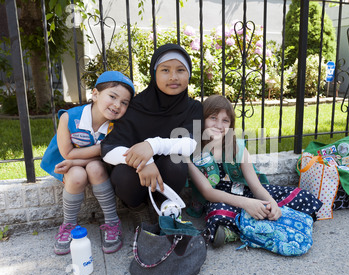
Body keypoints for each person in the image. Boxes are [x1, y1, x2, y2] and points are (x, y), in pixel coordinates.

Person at [187, 95, 323, 247]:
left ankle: (248, 225)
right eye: (213, 117)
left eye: (225, 120)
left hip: (246, 192)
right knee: (217, 213)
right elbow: (208, 193)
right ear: (202, 119)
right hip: (221, 199)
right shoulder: (193, 152)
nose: (219, 125)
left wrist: (271, 204)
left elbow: (256, 187)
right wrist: (246, 204)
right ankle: (242, 228)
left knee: (302, 196)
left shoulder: (237, 147)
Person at [101, 44, 203, 223]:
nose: (173, 77)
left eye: (180, 70)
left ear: (189, 74)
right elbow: (108, 149)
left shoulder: (193, 108)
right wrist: (145, 161)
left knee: (175, 161)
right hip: (135, 176)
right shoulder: (134, 106)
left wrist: (152, 145)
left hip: (168, 178)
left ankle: (165, 207)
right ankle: (138, 209)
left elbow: (190, 144)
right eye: (165, 70)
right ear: (154, 73)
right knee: (122, 174)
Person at [40, 71, 135, 255]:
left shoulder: (118, 126)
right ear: (95, 94)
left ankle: (112, 222)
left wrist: (101, 151)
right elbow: (67, 152)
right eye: (112, 97)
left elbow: (109, 155)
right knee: (76, 175)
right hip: (69, 162)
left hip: (97, 164)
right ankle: (68, 224)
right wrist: (102, 149)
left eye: (124, 103)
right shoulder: (69, 117)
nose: (117, 105)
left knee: (94, 168)